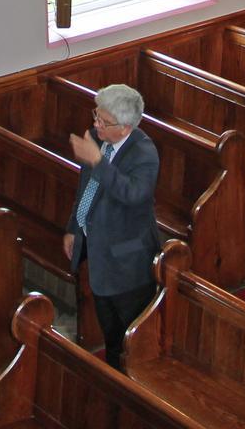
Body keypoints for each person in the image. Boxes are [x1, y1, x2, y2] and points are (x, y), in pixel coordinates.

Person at [64, 83, 162, 372]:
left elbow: (133, 194)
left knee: (130, 336)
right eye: (96, 116)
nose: (96, 125)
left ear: (125, 127)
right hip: (99, 255)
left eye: (103, 122)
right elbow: (86, 190)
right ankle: (114, 376)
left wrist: (96, 160)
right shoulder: (98, 138)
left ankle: (131, 384)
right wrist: (74, 227)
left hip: (128, 264)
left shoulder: (144, 153)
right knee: (109, 332)